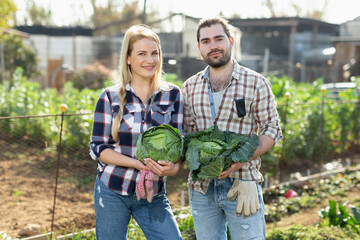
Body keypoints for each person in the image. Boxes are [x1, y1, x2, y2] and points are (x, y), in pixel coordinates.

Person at [181, 17, 282, 240]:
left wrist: (240, 159)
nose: (213, 46)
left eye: (219, 39)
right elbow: (186, 134)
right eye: (205, 41)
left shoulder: (256, 82)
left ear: (231, 40)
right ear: (199, 47)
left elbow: (272, 129)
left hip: (242, 182)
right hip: (201, 186)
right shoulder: (189, 86)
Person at [89, 24, 183, 240]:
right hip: (112, 189)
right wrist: (136, 164)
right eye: (142, 53)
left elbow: (179, 144)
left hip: (153, 194)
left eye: (154, 53)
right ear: (128, 58)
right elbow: (98, 147)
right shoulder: (110, 97)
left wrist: (172, 168)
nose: (150, 60)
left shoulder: (172, 95)